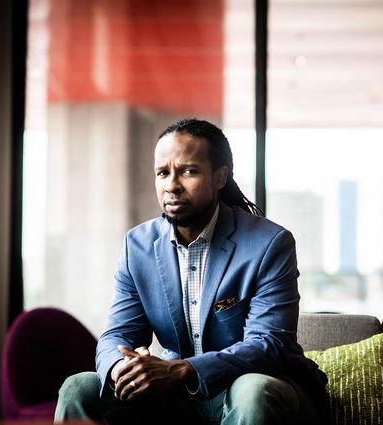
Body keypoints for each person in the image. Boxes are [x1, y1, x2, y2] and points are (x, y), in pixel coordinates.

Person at [55, 118, 328, 425]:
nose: (171, 185)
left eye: (188, 171)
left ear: (219, 177)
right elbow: (116, 335)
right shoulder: (138, 246)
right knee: (80, 387)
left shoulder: (269, 243)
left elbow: (268, 346)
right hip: (180, 396)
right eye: (162, 173)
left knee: (251, 389)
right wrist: (121, 367)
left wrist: (182, 369)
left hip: (265, 385)